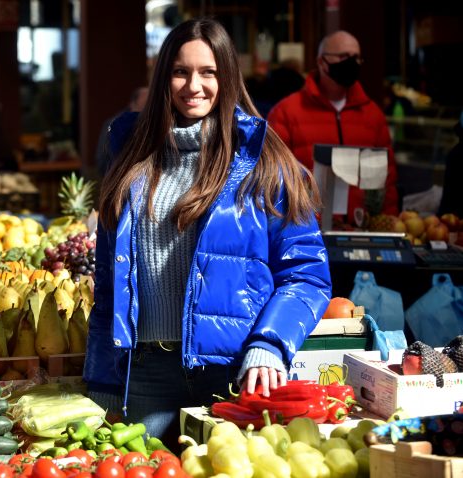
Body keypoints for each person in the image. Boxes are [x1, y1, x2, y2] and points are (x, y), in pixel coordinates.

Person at [85, 18, 332, 449]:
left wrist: (269, 344)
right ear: (164, 77)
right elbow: (108, 285)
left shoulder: (265, 162)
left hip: (233, 371)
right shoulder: (128, 154)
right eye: (181, 71)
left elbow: (307, 275)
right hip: (146, 373)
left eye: (208, 72)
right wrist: (101, 378)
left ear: (228, 77)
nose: (193, 85)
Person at [267, 31, 399, 223]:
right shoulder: (286, 112)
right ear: (322, 62)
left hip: (360, 230)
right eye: (343, 56)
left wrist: (386, 225)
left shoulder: (372, 115)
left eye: (356, 58)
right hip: (305, 231)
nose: (351, 63)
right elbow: (272, 179)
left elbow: (385, 180)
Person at [95, 86, 149, 178]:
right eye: (145, 104)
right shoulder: (115, 124)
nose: (149, 106)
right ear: (133, 104)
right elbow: (103, 158)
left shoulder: (153, 122)